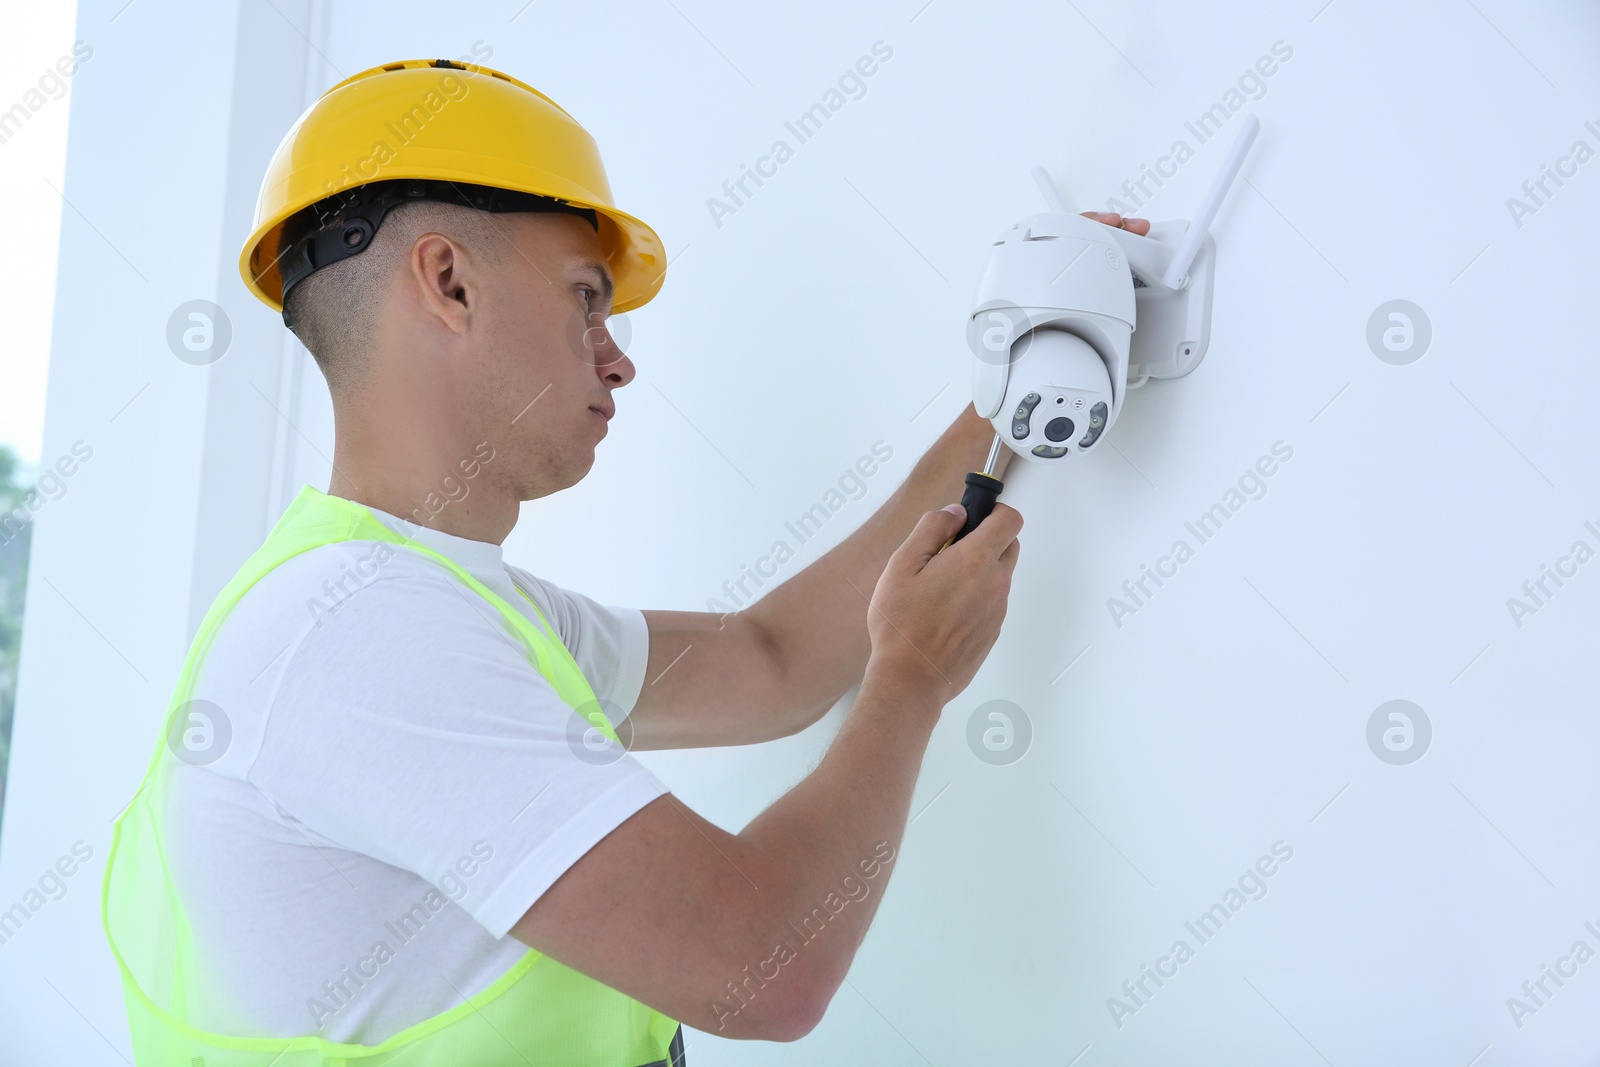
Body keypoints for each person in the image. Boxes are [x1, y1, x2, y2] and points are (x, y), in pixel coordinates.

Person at [101, 56, 1149, 1066]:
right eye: (585, 296)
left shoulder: (428, 601)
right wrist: (911, 682)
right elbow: (763, 964)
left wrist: (1014, 386)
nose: (618, 355)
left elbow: (771, 661)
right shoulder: (365, 634)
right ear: (449, 280)